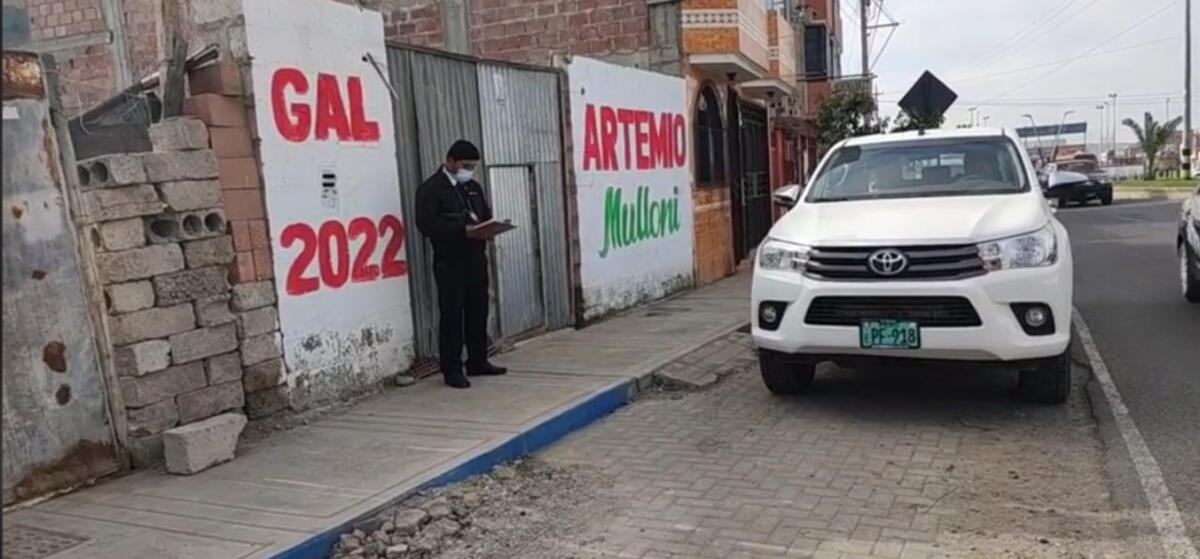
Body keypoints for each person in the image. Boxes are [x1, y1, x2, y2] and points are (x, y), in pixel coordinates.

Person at [415, 140, 507, 388]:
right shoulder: (431, 189)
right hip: (450, 261)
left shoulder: (473, 188)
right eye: (466, 165)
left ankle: (477, 360)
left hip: (476, 258)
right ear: (451, 161)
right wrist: (461, 230)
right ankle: (452, 368)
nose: (469, 170)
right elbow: (427, 224)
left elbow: (484, 214)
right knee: (452, 314)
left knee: (478, 310)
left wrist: (489, 228)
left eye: (473, 166)